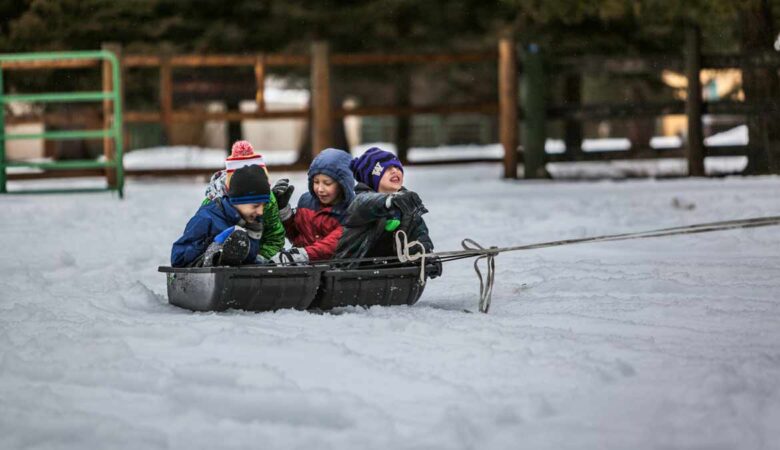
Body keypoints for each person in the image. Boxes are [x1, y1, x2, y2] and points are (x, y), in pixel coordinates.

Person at [335, 147, 438, 276]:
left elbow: (419, 233)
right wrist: (390, 201)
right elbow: (369, 202)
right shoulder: (360, 202)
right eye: (387, 169)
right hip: (350, 272)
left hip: (393, 272)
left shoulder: (405, 203)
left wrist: (426, 257)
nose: (395, 170)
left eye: (397, 167)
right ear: (372, 178)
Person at [171, 164, 272, 267]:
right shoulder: (207, 219)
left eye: (263, 205)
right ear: (237, 201)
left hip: (236, 275)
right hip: (203, 272)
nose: (260, 212)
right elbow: (178, 259)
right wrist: (211, 248)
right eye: (255, 206)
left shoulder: (253, 222)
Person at [202, 140, 285, 261]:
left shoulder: (267, 201)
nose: (260, 210)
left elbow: (274, 237)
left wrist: (260, 258)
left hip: (257, 258)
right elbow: (197, 242)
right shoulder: (212, 203)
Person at [270, 148, 355, 264]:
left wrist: (300, 256)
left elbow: (332, 245)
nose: (320, 189)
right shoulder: (306, 202)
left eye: (327, 183)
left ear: (342, 184)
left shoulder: (351, 211)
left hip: (333, 269)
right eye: (316, 182)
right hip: (302, 269)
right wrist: (283, 210)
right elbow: (296, 234)